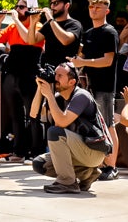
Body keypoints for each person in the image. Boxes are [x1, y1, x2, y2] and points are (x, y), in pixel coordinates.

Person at [31, 62, 108, 194]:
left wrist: (49, 95)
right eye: (55, 74)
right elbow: (33, 114)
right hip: (78, 149)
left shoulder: (81, 96)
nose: (55, 78)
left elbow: (61, 123)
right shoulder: (58, 99)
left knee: (55, 132)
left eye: (60, 75)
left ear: (72, 81)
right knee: (39, 164)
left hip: (93, 150)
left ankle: (67, 183)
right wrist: (40, 88)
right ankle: (88, 174)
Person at [70, 0, 119, 181]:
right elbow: (82, 60)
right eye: (91, 6)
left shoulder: (110, 32)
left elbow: (107, 61)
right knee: (95, 125)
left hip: (105, 86)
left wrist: (83, 62)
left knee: (108, 124)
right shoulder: (89, 33)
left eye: (98, 7)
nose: (94, 9)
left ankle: (112, 165)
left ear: (107, 10)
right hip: (89, 86)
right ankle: (98, 163)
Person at [0, 0, 44, 162]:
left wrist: (14, 19)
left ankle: (37, 152)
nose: (18, 9)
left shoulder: (39, 26)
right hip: (12, 74)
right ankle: (19, 151)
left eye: (22, 7)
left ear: (31, 9)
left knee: (33, 115)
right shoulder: (12, 27)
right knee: (16, 116)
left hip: (29, 74)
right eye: (17, 6)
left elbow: (29, 38)